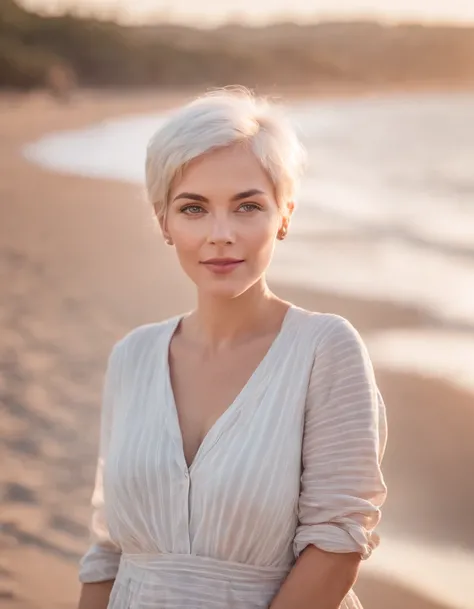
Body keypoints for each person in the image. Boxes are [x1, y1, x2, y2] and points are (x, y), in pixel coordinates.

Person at [77, 87, 387, 609]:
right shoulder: (132, 356)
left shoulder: (325, 348)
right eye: (193, 208)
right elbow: (107, 548)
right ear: (164, 223)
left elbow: (337, 542)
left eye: (247, 206)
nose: (221, 235)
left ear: (284, 215)